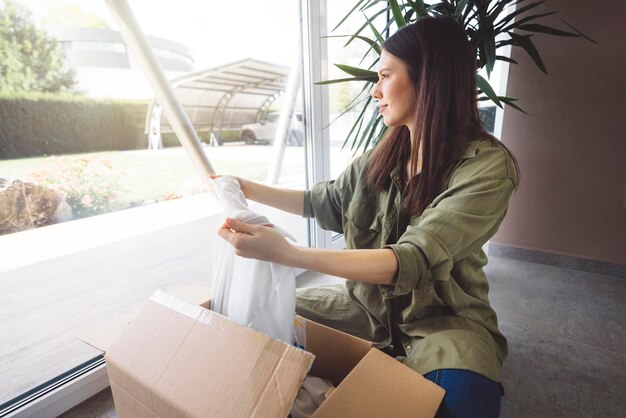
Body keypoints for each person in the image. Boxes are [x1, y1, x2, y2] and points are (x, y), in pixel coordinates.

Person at [216, 16, 519, 418]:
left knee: (466, 407)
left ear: (428, 79)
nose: (375, 91)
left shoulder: (486, 168)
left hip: (442, 325)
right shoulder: (382, 156)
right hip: (362, 308)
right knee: (249, 323)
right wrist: (246, 187)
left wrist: (288, 254)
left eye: (385, 75)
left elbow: (410, 260)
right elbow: (324, 202)